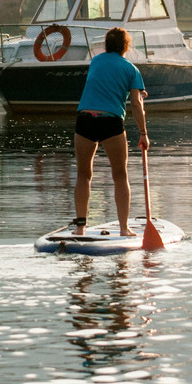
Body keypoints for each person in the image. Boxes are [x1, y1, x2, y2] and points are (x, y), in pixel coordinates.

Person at [72, 27, 148, 237]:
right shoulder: (132, 70)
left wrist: (137, 92)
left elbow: (104, 82)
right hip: (110, 121)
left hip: (85, 118)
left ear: (106, 45)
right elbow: (135, 104)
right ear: (126, 46)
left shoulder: (96, 61)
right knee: (120, 175)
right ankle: (124, 228)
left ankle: (80, 227)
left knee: (83, 175)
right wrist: (143, 133)